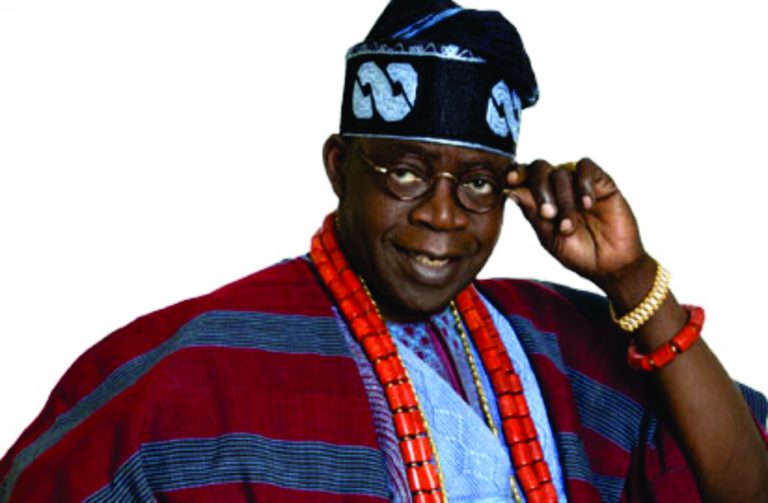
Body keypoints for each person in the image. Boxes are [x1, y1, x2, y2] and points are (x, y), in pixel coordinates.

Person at [1, 0, 766, 501]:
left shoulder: (551, 343)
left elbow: (742, 484)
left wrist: (630, 278)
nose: (441, 214)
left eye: (477, 182)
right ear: (340, 167)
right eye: (405, 171)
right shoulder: (203, 365)